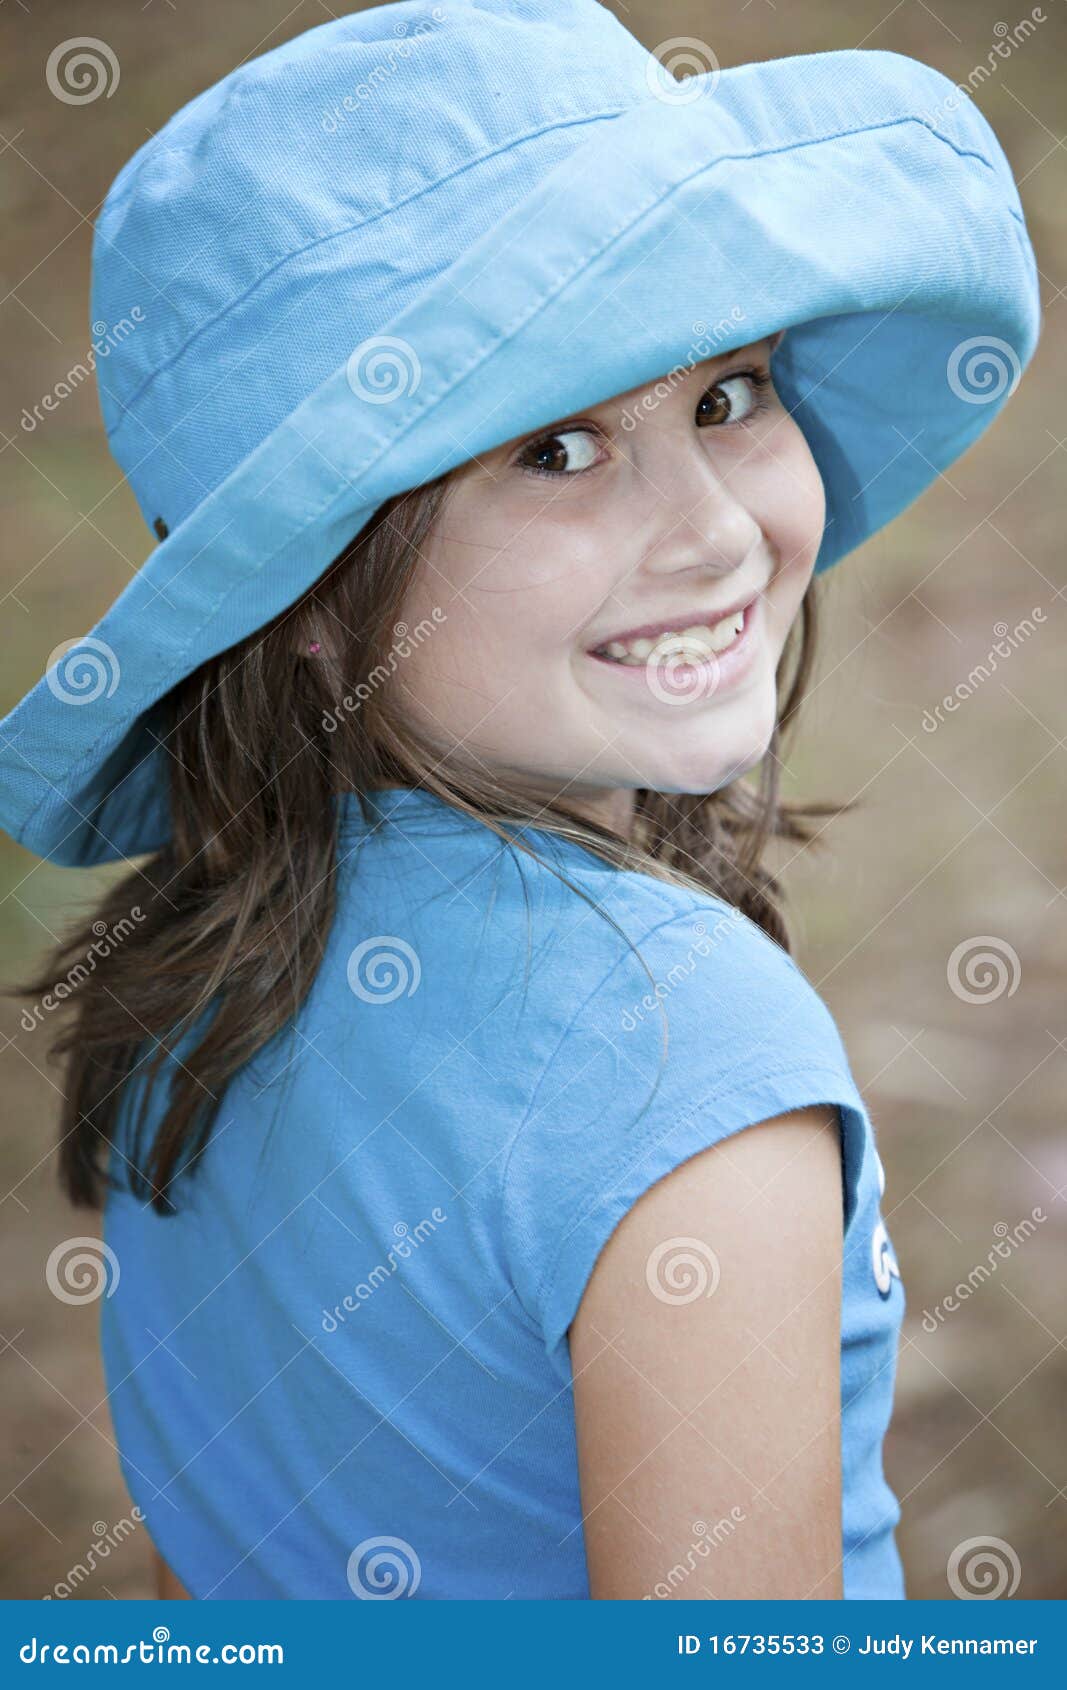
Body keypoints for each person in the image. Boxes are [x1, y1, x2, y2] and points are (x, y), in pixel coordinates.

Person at [0, 0, 1039, 1601]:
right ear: (312, 593)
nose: (706, 530)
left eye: (727, 395)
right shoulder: (685, 1054)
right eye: (556, 447)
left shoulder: (193, 973)